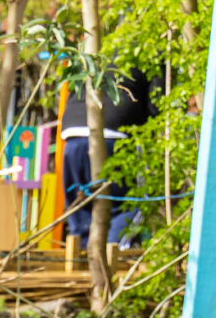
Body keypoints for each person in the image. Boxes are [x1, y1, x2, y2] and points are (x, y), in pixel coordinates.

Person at [62, 68, 156, 247]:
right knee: (129, 205)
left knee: (82, 208)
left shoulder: (94, 48)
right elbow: (157, 104)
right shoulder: (151, 53)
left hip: (72, 133)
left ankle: (81, 263)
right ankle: (112, 259)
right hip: (116, 134)